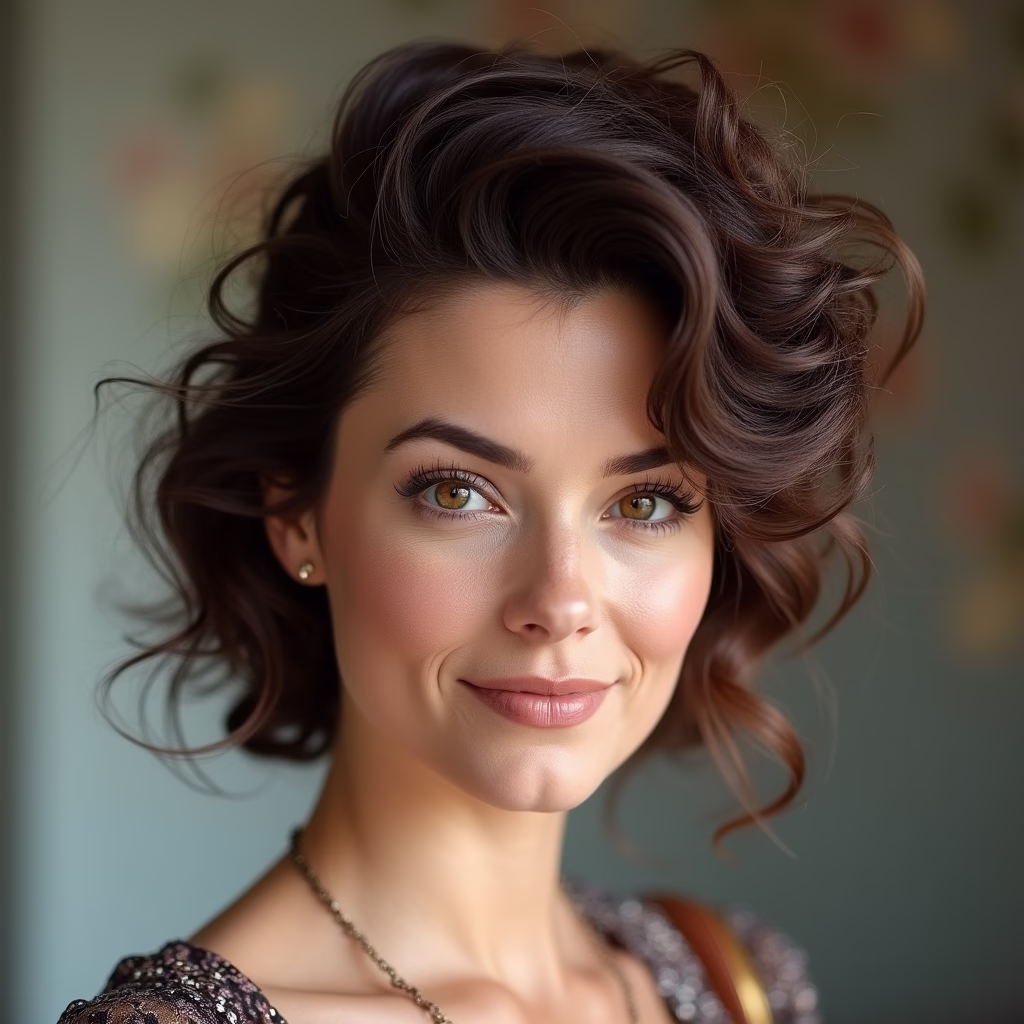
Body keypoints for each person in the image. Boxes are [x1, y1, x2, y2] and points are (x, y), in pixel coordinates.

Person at [58, 40, 923, 1024]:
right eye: (456, 492)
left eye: (643, 503)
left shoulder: (738, 981)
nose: (558, 600)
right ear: (295, 512)